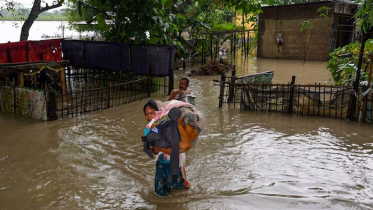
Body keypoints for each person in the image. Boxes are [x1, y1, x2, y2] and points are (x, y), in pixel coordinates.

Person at [143, 100, 197, 196]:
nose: (149, 116)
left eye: (151, 113)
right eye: (146, 114)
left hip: (176, 158)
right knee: (160, 189)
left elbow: (185, 146)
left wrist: (160, 149)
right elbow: (154, 150)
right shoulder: (148, 129)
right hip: (161, 159)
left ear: (158, 112)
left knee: (178, 188)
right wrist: (157, 149)